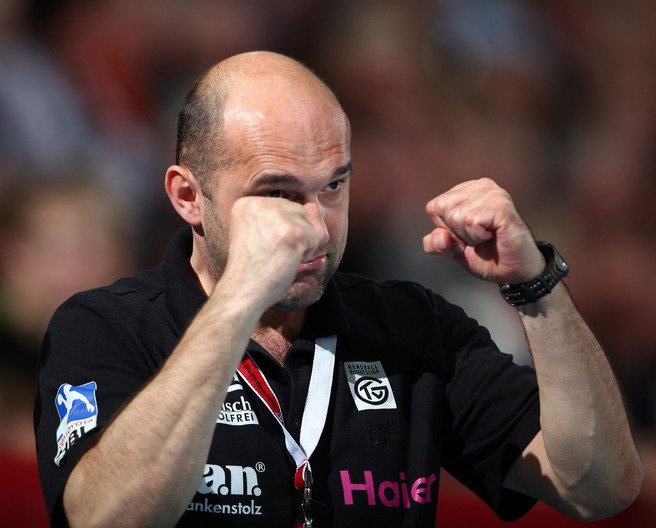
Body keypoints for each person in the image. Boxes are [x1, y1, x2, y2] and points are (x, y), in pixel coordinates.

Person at [34, 51, 642, 528]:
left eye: (333, 186)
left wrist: (536, 284)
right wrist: (240, 298)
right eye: (278, 193)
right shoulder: (103, 327)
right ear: (188, 196)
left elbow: (599, 488)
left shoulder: (412, 329)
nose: (317, 227)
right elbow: (102, 518)